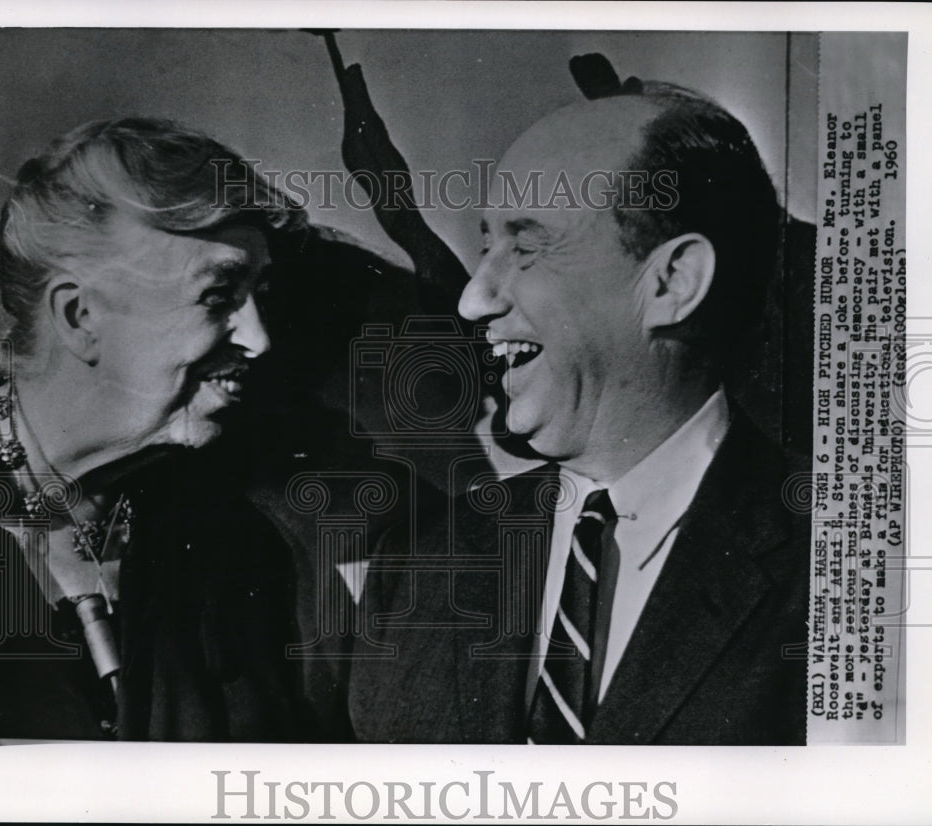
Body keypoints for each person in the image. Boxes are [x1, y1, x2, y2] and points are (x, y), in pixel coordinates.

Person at [347, 79, 810, 745]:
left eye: (526, 248)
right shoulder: (420, 565)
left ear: (672, 282)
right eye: (486, 248)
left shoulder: (848, 565)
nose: (474, 300)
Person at [0, 117, 309, 741]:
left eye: (260, 292)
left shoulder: (236, 553)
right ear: (81, 315)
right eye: (219, 293)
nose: (260, 340)